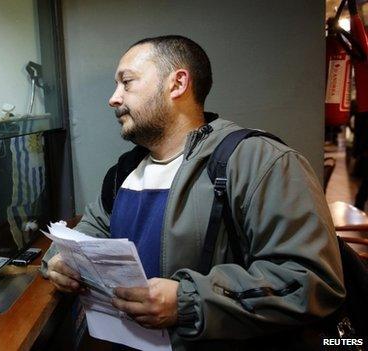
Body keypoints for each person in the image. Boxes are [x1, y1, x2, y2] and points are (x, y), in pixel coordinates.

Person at [42, 35, 345, 350]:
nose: (114, 98)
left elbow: (311, 281)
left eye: (127, 82)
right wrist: (59, 261)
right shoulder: (123, 172)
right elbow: (87, 234)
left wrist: (186, 301)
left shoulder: (259, 161)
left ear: (177, 84)